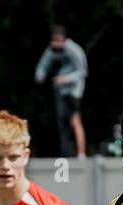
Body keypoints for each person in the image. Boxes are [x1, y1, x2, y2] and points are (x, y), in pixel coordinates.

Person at [34, 25, 88, 158]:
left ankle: (81, 153)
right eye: (54, 41)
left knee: (75, 121)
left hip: (75, 91)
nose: (56, 45)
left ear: (64, 40)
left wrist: (66, 79)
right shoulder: (52, 49)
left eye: (59, 42)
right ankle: (66, 152)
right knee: (61, 122)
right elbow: (43, 65)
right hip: (61, 91)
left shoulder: (74, 50)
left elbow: (83, 72)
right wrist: (40, 75)